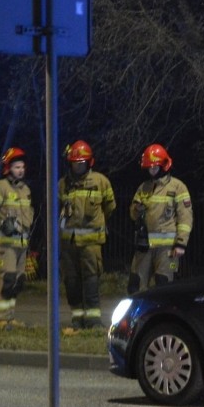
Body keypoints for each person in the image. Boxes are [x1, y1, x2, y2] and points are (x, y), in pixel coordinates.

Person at [59, 140, 116, 329]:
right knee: (72, 281)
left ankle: (93, 320)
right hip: (69, 244)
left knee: (91, 280)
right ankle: (77, 318)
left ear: (89, 162)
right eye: (75, 162)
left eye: (82, 162)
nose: (78, 165)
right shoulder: (63, 185)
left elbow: (110, 207)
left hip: (92, 244)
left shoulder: (101, 182)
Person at [0, 147, 34, 330]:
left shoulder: (25, 190)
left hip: (20, 246)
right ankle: (0, 319)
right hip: (4, 246)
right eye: (17, 166)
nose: (20, 170)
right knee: (5, 280)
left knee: (16, 282)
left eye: (22, 167)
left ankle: (10, 318)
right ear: (8, 168)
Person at [127, 144, 193, 294]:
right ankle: (136, 317)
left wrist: (181, 244)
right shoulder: (143, 187)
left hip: (167, 249)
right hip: (143, 246)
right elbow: (132, 214)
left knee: (164, 286)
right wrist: (136, 210)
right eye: (149, 167)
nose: (152, 170)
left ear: (164, 165)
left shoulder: (178, 187)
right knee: (134, 286)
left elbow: (185, 217)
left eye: (155, 167)